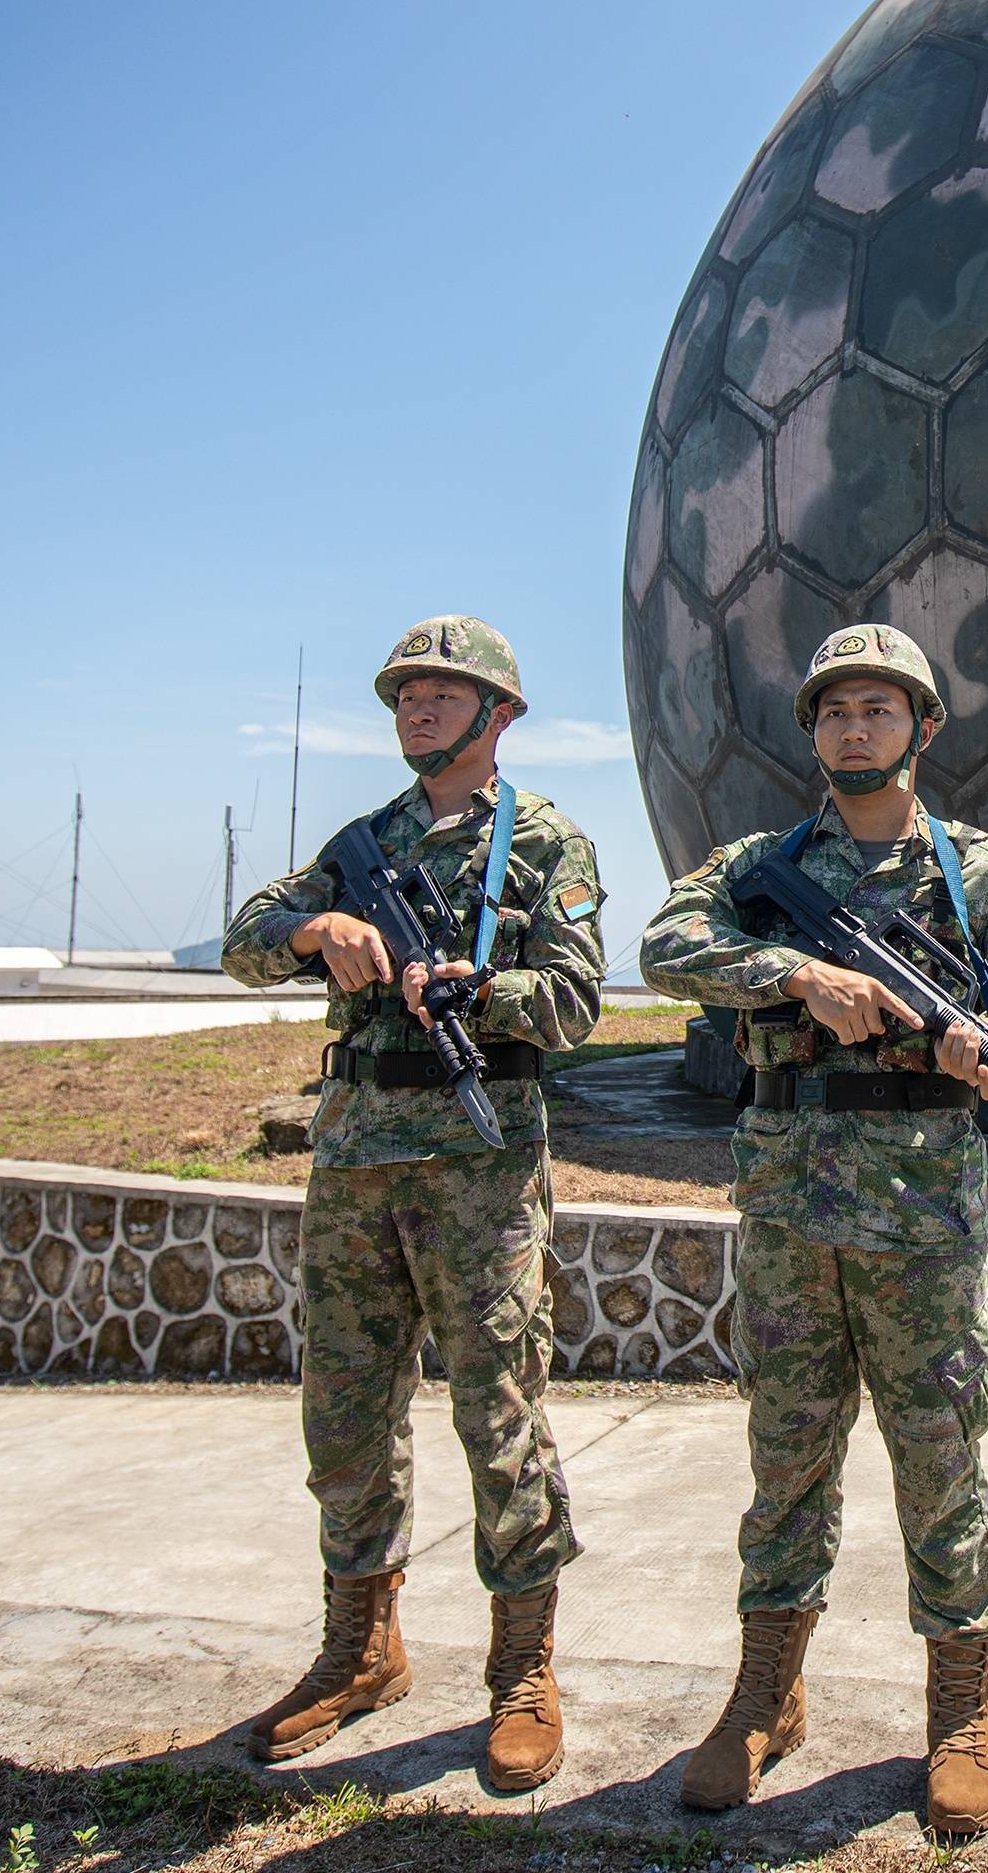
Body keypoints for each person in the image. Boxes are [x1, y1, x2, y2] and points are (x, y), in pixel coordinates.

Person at [637, 622, 988, 1842]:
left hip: (925, 1213)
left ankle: (960, 1714)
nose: (857, 728)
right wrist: (792, 974)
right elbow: (666, 945)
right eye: (836, 711)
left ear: (923, 728)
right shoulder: (763, 862)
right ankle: (766, 1696)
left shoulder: (976, 875)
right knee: (788, 1458)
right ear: (813, 732)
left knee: (941, 1458)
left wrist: (987, 1049)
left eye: (881, 708)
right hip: (787, 1210)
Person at [219, 615, 605, 1788]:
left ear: (499, 714)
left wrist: (480, 987)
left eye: (445, 694)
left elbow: (577, 1002)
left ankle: (523, 1668)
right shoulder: (363, 842)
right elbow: (241, 943)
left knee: (499, 1407)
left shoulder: (543, 842)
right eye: (406, 696)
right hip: (355, 1156)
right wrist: (312, 925)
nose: (419, 711)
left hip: (480, 1162)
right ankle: (360, 1645)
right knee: (343, 1406)